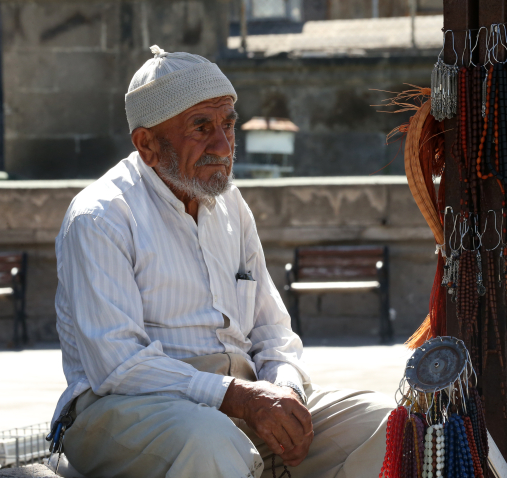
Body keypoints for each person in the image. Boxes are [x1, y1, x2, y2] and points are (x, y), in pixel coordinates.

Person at [50, 45, 394, 478]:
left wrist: (283, 391)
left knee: (386, 423)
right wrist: (239, 397)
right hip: (125, 408)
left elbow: (272, 330)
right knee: (212, 441)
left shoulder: (230, 204)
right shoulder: (101, 216)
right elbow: (118, 365)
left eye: (228, 124)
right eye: (201, 127)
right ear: (148, 145)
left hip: (241, 401)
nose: (223, 144)